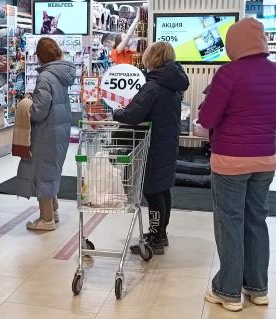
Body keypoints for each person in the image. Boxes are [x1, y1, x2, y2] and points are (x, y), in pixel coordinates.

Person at [199, 18, 276, 312]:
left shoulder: (228, 74)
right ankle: (258, 289)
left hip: (230, 161)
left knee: (230, 222)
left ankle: (228, 291)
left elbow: (207, 120)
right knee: (256, 220)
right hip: (266, 160)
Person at [113, 42, 189, 255]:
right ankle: (160, 234)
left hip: (153, 147)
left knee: (152, 192)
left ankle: (155, 238)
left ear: (152, 58)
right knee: (163, 190)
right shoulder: (174, 85)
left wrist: (117, 112)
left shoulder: (152, 86)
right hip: (166, 144)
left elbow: (132, 115)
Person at [15, 37, 76, 231]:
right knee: (52, 171)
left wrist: (27, 104)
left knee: (43, 174)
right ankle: (54, 211)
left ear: (40, 56)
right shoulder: (62, 74)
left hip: (46, 132)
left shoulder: (45, 77)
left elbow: (39, 111)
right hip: (60, 130)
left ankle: (46, 219)